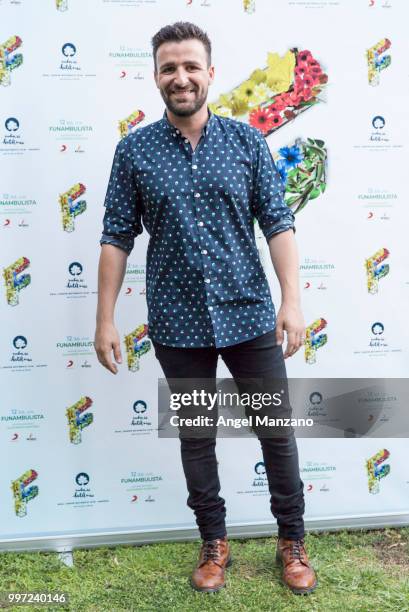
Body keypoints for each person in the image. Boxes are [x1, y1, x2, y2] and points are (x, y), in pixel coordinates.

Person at [94, 21, 317, 596]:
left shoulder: (245, 143)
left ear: (211, 74)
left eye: (191, 66)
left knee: (276, 432)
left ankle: (291, 540)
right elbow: (116, 236)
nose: (181, 77)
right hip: (176, 324)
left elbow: (278, 223)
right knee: (197, 437)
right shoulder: (134, 150)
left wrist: (292, 301)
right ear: (156, 77)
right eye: (170, 67)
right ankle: (213, 543)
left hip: (247, 315)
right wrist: (104, 318)